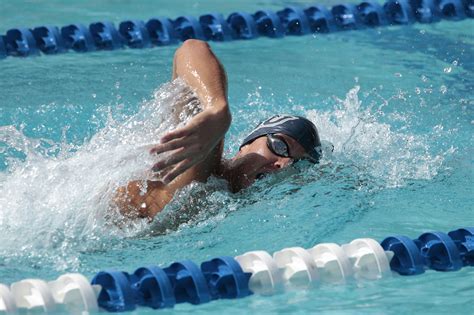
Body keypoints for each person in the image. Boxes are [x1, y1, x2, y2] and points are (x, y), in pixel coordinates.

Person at [114, 39, 322, 220]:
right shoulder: (204, 160)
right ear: (247, 144)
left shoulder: (231, 199)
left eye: (297, 163)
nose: (283, 164)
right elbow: (191, 49)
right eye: (280, 146)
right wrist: (217, 108)